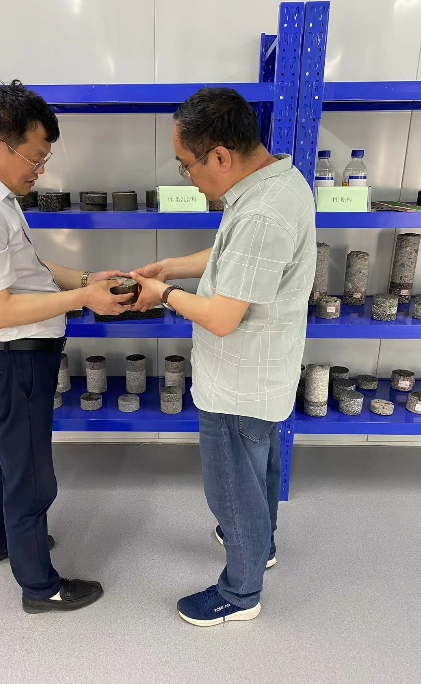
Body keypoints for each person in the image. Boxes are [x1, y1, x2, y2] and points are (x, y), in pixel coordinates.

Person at [0, 80, 132, 614]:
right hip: (13, 358)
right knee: (31, 476)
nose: (40, 170)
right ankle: (41, 587)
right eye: (35, 159)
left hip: (8, 359)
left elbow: (29, 269)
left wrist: (85, 279)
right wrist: (82, 299)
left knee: (4, 455)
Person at [130, 87, 316, 626]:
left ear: (219, 156)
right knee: (258, 471)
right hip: (265, 371)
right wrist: (171, 267)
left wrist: (162, 294)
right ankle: (262, 542)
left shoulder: (263, 212)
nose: (188, 177)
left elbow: (220, 317)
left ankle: (240, 593)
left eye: (186, 165)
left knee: (233, 488)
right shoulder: (278, 181)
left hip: (239, 381)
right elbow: (234, 254)